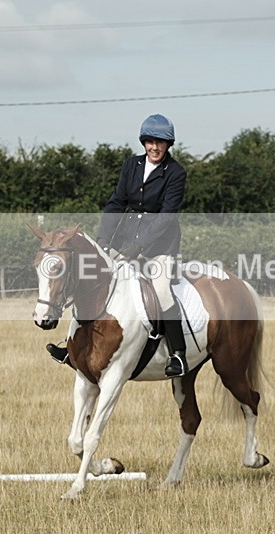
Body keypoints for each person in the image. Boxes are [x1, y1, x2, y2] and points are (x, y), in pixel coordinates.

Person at [48, 114, 189, 378]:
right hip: (124, 240)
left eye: (160, 143)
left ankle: (178, 355)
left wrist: (138, 248)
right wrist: (103, 240)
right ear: (144, 142)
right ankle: (72, 347)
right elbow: (116, 203)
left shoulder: (176, 173)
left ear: (168, 144)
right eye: (150, 142)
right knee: (90, 279)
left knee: (161, 289)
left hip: (160, 246)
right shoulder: (131, 165)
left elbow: (166, 217)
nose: (155, 147)